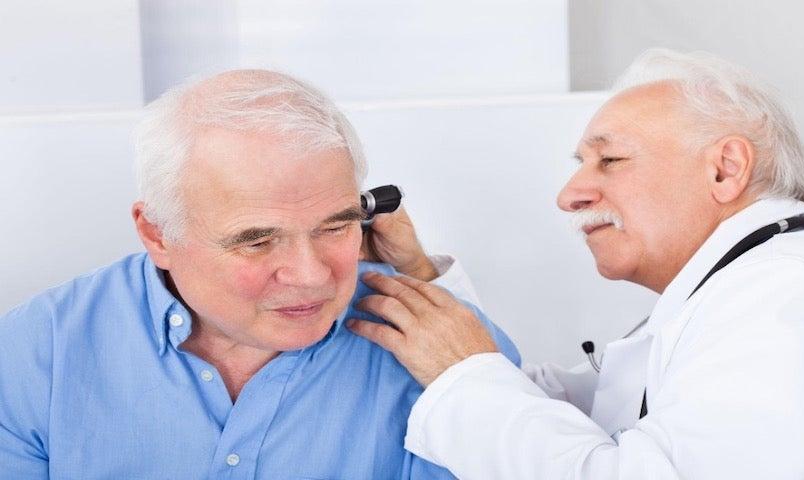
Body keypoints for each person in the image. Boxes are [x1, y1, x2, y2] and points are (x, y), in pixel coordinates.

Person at [348, 49, 804, 479]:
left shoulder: (787, 295)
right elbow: (554, 412)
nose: (569, 196)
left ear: (724, 170)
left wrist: (465, 374)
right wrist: (420, 277)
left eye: (609, 161)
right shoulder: (743, 290)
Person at [0, 69, 519, 479]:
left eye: (335, 228)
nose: (311, 275)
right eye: (257, 241)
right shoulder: (34, 353)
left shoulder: (452, 357)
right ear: (158, 234)